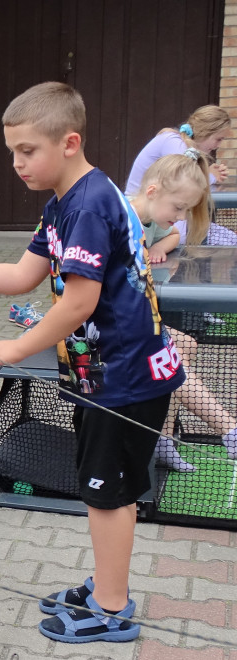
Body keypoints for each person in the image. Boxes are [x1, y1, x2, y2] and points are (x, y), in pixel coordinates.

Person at [0, 81, 187, 645]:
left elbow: (79, 302)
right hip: (102, 374)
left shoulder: (88, 204)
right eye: (11, 151)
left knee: (108, 495)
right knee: (105, 492)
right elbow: (23, 275)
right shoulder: (64, 202)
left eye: (26, 151)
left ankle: (112, 609)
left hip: (124, 377)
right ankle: (108, 585)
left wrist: (14, 349)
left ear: (69, 142)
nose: (16, 163)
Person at [128, 151, 237, 472]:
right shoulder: (119, 218)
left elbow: (173, 235)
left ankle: (162, 440)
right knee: (171, 351)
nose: (179, 218)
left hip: (130, 317)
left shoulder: (153, 220)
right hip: (102, 332)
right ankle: (230, 431)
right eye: (177, 208)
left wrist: (157, 247)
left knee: (185, 343)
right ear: (152, 192)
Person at [124, 105, 236, 246]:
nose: (218, 145)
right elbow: (185, 182)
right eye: (218, 139)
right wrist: (211, 176)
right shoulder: (174, 143)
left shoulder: (178, 143)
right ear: (207, 131)